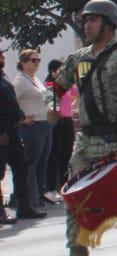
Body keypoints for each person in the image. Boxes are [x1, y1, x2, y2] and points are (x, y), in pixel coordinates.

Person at [47, 0, 117, 256]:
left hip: (116, 141)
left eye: (93, 20)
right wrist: (52, 106)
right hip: (84, 143)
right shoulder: (79, 58)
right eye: (85, 19)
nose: (87, 25)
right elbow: (56, 85)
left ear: (108, 24)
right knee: (75, 206)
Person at [0, 53, 44, 221]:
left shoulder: (3, 77)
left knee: (21, 166)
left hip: (11, 130)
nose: (3, 57)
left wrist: (19, 118)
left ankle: (24, 206)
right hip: (2, 132)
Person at [14, 50, 55, 207]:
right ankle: (29, 196)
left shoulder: (35, 79)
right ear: (23, 62)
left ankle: (40, 193)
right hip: (33, 126)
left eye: (38, 60)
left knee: (43, 161)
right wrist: (22, 118)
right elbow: (12, 100)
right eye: (33, 60)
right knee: (32, 162)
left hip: (45, 124)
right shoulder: (20, 82)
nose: (37, 63)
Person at [45, 59, 75, 199]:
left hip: (68, 120)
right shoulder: (50, 85)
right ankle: (51, 187)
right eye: (60, 70)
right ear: (53, 71)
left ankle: (63, 186)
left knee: (66, 155)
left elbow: (77, 93)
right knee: (54, 154)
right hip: (57, 121)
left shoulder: (67, 86)